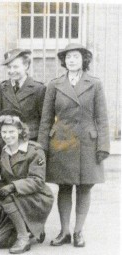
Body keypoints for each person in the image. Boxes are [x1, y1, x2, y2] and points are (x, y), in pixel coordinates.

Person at [38, 43, 110, 248]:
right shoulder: (54, 84)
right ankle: (64, 232)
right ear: (64, 60)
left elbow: (102, 118)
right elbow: (46, 119)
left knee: (85, 188)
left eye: (76, 57)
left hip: (88, 142)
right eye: (68, 57)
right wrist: (42, 146)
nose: (71, 60)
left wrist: (103, 146)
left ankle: (78, 231)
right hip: (62, 141)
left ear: (83, 60)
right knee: (64, 186)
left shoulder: (95, 84)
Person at [0, 113, 52, 254]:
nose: (7, 136)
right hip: (15, 198)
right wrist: (0, 200)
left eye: (11, 131)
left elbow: (37, 181)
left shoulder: (34, 150)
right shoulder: (4, 151)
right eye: (4, 132)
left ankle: (24, 237)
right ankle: (32, 228)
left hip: (36, 197)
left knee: (7, 196)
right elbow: (3, 180)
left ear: (19, 130)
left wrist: (12, 187)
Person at [0, 49, 45, 142]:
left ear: (26, 66)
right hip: (8, 140)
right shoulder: (2, 88)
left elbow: (44, 121)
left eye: (15, 67)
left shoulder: (39, 89)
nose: (12, 71)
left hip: (31, 140)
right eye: (9, 67)